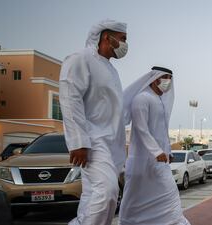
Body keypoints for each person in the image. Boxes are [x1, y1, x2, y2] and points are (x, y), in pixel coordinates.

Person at [59, 19, 128, 225]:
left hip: (110, 143)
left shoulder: (111, 70)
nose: (125, 44)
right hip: (92, 140)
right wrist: (78, 141)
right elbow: (70, 99)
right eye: (123, 39)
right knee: (106, 191)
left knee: (95, 195)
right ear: (107, 37)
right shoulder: (80, 59)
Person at [119, 67, 191, 225]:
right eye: (164, 77)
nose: (168, 81)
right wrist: (157, 151)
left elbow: (161, 132)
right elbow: (141, 128)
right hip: (141, 162)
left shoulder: (159, 102)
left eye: (170, 78)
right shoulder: (142, 99)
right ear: (154, 79)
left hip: (159, 162)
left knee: (170, 195)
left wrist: (168, 151)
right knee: (134, 199)